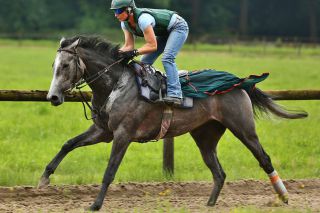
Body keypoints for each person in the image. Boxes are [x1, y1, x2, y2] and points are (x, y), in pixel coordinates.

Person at [110, 0, 189, 105]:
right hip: (164, 32)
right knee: (144, 61)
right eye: (114, 11)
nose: (116, 15)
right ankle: (155, 88)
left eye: (119, 11)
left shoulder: (144, 19)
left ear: (129, 9)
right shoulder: (124, 23)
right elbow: (129, 46)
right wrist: (115, 54)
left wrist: (134, 53)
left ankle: (175, 94)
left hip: (178, 27)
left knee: (167, 58)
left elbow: (152, 46)